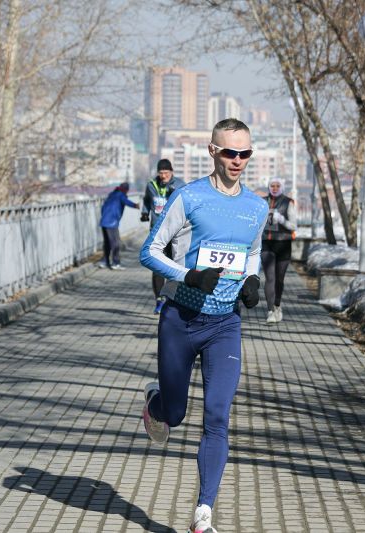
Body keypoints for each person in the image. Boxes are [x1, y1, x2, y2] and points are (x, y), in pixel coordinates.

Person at [139, 118, 267, 533]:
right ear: (213, 151)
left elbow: (252, 252)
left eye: (245, 153)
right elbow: (149, 252)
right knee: (175, 415)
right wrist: (189, 276)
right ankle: (157, 404)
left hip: (224, 324)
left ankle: (203, 513)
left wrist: (252, 280)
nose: (238, 160)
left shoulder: (257, 207)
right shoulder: (189, 197)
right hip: (180, 318)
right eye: (230, 152)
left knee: (217, 416)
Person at [141, 159, 187, 313]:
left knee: (174, 265)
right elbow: (147, 200)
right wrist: (145, 212)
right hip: (156, 232)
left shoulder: (180, 185)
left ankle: (172, 298)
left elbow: (187, 204)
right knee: (157, 266)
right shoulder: (151, 185)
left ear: (171, 172)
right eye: (161, 173)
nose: (163, 176)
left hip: (175, 233)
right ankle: (159, 300)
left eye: (166, 173)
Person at [261, 177, 297, 324]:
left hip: (283, 244)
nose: (274, 188)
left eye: (277, 186)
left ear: (282, 187)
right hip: (266, 243)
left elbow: (293, 226)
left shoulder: (288, 202)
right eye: (272, 185)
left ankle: (277, 305)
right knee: (270, 278)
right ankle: (270, 311)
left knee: (279, 279)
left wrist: (281, 219)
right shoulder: (262, 202)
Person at [99, 182, 138, 270]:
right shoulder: (121, 195)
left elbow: (103, 207)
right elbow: (128, 202)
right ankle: (115, 263)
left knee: (107, 243)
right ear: (126, 190)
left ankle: (104, 261)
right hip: (112, 223)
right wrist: (137, 205)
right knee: (115, 243)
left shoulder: (112, 194)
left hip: (104, 221)